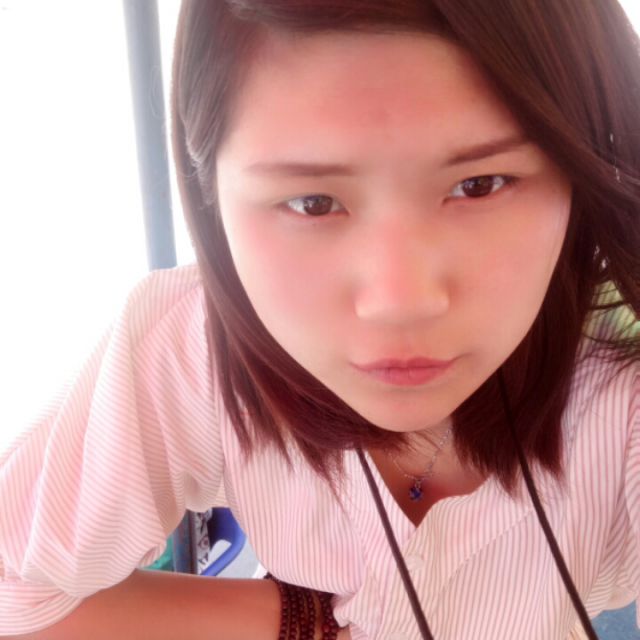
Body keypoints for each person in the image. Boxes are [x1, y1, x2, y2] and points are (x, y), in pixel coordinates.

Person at [1, 0, 639, 638]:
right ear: (211, 194)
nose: (400, 301)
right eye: (313, 202)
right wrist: (308, 624)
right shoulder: (193, 349)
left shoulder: (621, 378)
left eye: (481, 184)